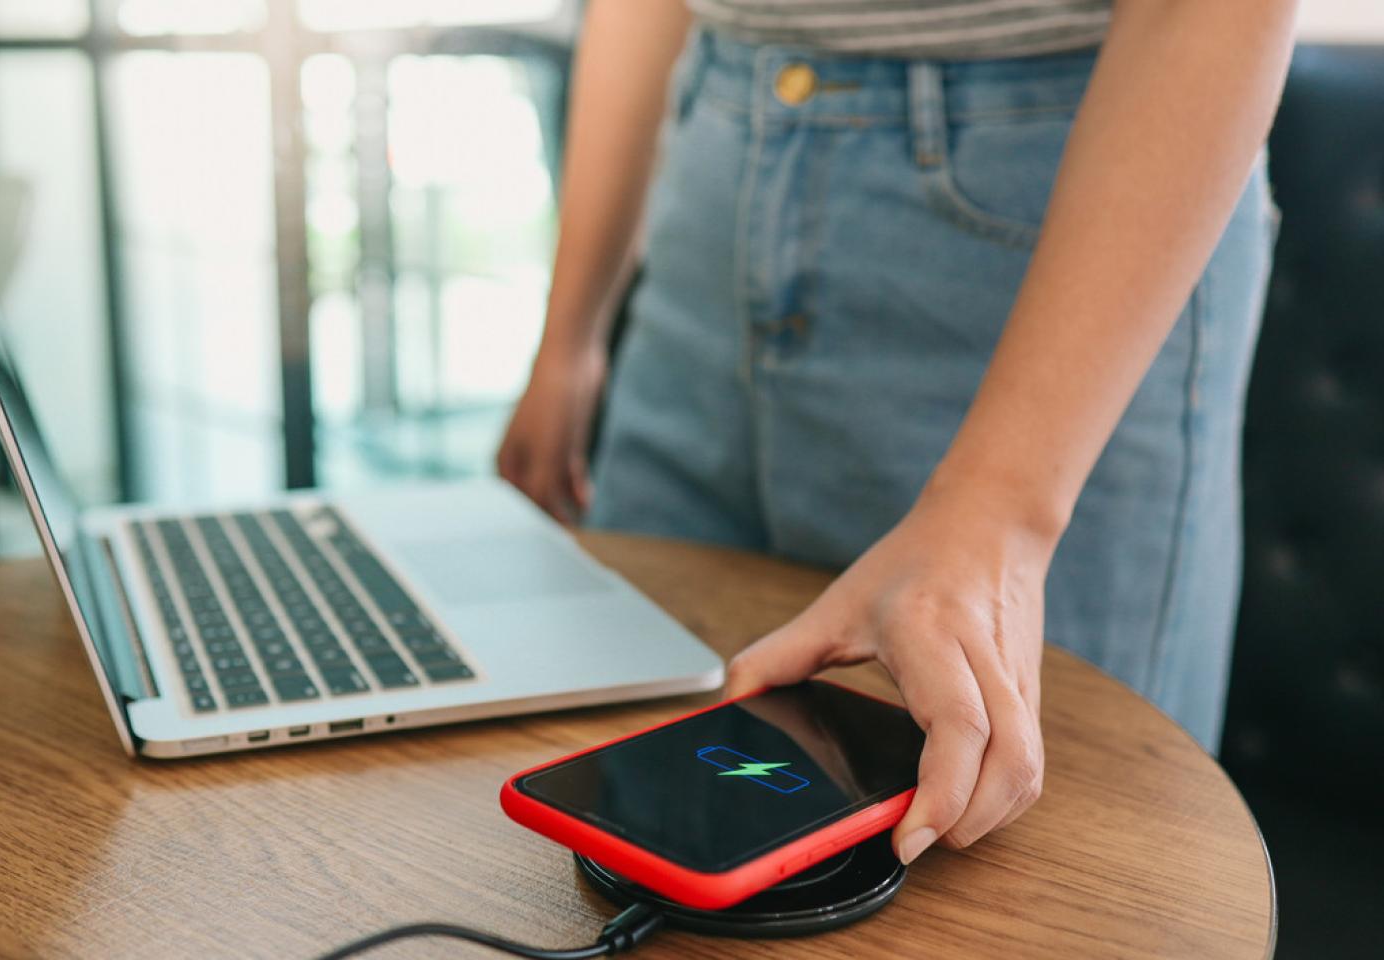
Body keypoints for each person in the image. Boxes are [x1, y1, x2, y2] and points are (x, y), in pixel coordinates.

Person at [496, 0, 1293, 867]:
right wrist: (569, 338)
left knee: (1018, 856)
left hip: (1062, 203)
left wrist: (1003, 508)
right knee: (631, 827)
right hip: (703, 179)